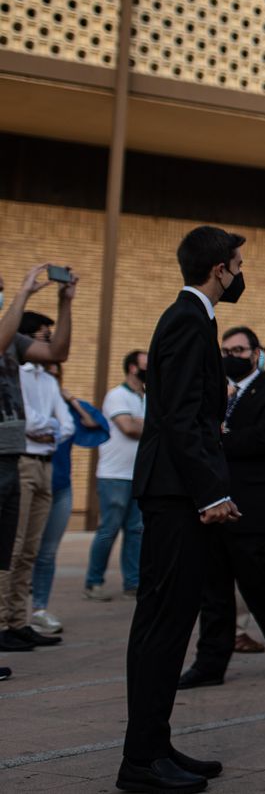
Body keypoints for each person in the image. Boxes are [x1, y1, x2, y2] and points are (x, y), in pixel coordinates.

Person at [120, 225, 246, 793]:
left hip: (177, 490)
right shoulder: (188, 319)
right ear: (219, 268)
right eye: (238, 264)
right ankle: (141, 761)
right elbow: (179, 416)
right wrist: (210, 493)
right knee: (163, 625)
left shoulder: (193, 318)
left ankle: (154, 744)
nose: (242, 273)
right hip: (176, 495)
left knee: (170, 623)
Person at [176, 326, 265, 689]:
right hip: (213, 504)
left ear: (255, 353)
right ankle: (209, 663)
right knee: (213, 591)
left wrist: (219, 435)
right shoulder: (215, 390)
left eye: (238, 350)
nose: (231, 356)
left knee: (257, 586)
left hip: (252, 507)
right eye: (226, 349)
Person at [0, 263, 76, 673]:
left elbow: (57, 353)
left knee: (23, 550)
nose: (4, 291)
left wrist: (65, 305)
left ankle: (15, 621)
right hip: (10, 457)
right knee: (7, 549)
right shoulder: (5, 334)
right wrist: (24, 295)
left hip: (14, 455)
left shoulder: (14, 339)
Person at [33, 367, 103, 634]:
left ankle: (39, 609)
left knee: (47, 553)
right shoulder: (25, 401)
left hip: (61, 487)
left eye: (55, 374)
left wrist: (70, 398)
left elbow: (94, 425)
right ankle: (11, 615)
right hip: (31, 484)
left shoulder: (65, 407)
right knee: (20, 553)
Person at [91, 351, 147, 601]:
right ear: (134, 368)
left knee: (135, 530)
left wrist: (140, 421)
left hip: (139, 475)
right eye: (147, 363)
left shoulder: (146, 398)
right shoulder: (117, 395)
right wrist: (145, 423)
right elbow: (128, 427)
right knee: (108, 530)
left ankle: (132, 582)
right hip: (114, 475)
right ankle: (94, 582)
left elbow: (142, 425)